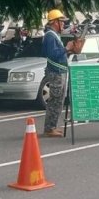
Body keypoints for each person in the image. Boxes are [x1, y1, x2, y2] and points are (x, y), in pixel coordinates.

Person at [41, 9, 77, 137]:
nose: (63, 24)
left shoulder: (53, 35)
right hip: (56, 72)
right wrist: (66, 48)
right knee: (55, 101)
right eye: (61, 21)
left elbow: (58, 53)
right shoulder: (50, 36)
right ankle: (50, 128)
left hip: (59, 71)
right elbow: (53, 54)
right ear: (54, 22)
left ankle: (52, 127)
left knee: (59, 101)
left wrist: (68, 51)